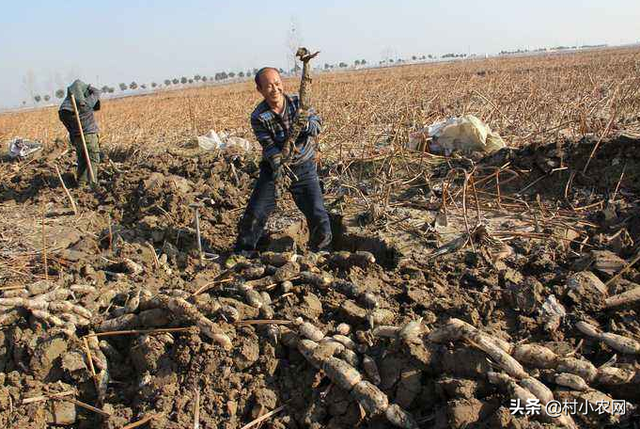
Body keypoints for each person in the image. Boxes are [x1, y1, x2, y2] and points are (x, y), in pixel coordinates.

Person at [234, 67, 332, 252]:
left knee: (317, 212)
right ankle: (243, 252)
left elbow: (317, 126)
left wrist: (305, 124)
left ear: (282, 84)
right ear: (260, 90)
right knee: (256, 212)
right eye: (269, 86)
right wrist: (279, 166)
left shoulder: (299, 103)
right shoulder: (259, 116)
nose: (275, 89)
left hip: (304, 167)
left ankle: (323, 252)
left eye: (277, 84)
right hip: (273, 169)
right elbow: (269, 147)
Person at [58, 79, 101, 185]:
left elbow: (68, 127)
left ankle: (81, 185)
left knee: (82, 161)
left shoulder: (64, 110)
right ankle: (92, 183)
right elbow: (97, 92)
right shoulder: (86, 104)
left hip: (77, 138)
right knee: (93, 160)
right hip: (89, 136)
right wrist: (87, 86)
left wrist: (74, 90)